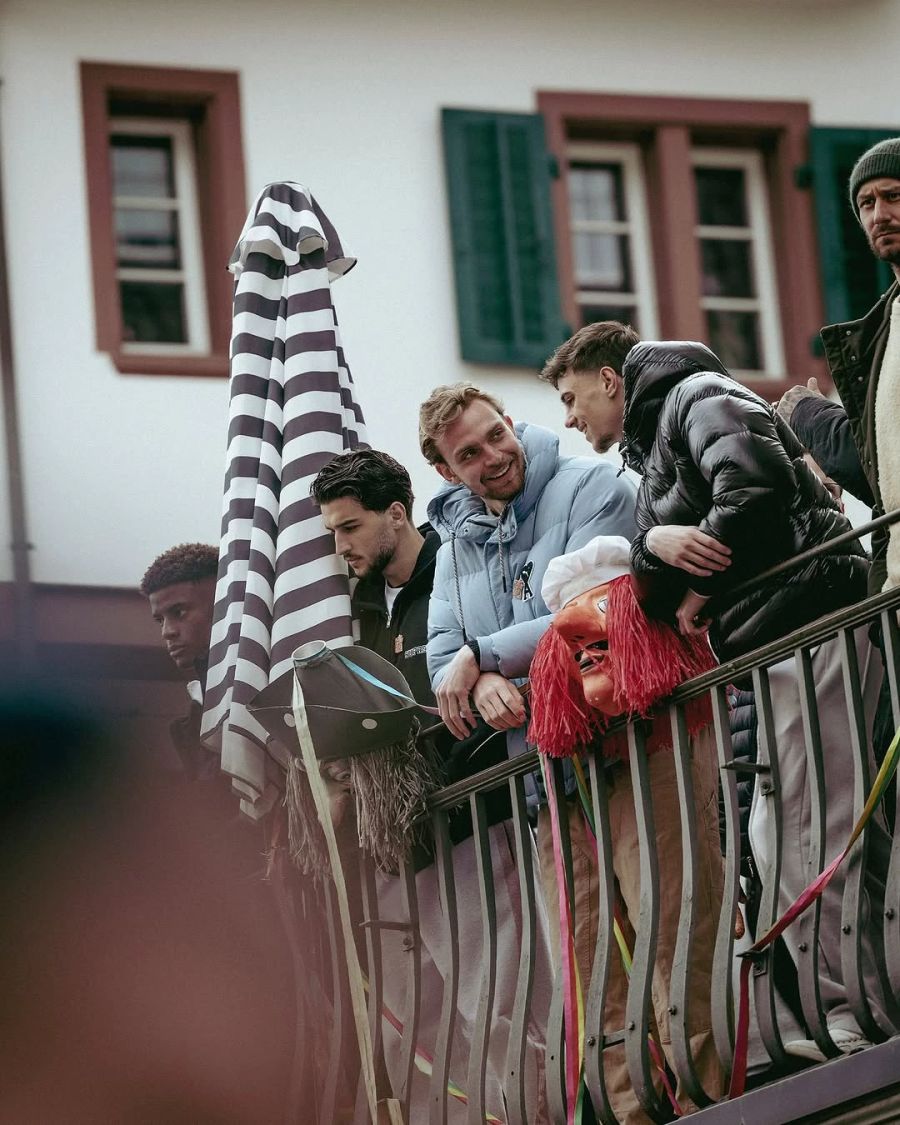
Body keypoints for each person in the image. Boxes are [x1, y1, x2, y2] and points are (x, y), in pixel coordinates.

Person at [542, 319, 894, 1063]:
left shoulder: (695, 396)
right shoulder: (664, 429)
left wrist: (690, 571)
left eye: (573, 398)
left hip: (809, 619)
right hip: (778, 635)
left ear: (611, 380)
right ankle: (815, 1010)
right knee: (785, 825)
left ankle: (843, 1010)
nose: (569, 419)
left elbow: (754, 488)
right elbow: (650, 580)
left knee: (816, 820)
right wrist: (655, 549)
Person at [310, 448, 553, 1123]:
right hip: (417, 834)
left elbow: (509, 653)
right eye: (333, 531)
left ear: (397, 513)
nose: (341, 546)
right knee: (471, 1008)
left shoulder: (459, 567)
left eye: (350, 527)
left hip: (483, 807)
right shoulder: (356, 610)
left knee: (513, 992)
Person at [417, 381, 637, 1078]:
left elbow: (593, 607)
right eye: (469, 454)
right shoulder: (452, 545)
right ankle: (629, 1109)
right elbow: (439, 649)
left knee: (669, 928)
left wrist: (484, 659)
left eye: (494, 434)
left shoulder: (592, 484)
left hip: (627, 744)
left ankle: (705, 1093)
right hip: (544, 777)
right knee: (588, 961)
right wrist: (475, 676)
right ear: (447, 472)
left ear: (511, 421)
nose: (492, 456)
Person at [776, 137, 900, 779]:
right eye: (867, 203)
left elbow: (863, 456)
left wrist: (803, 413)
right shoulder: (882, 327)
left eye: (893, 196)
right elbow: (875, 464)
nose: (879, 213)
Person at [140, 542, 220, 782]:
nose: (167, 632)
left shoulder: (263, 684)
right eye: (160, 620)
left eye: (179, 613)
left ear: (223, 604)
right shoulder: (197, 711)